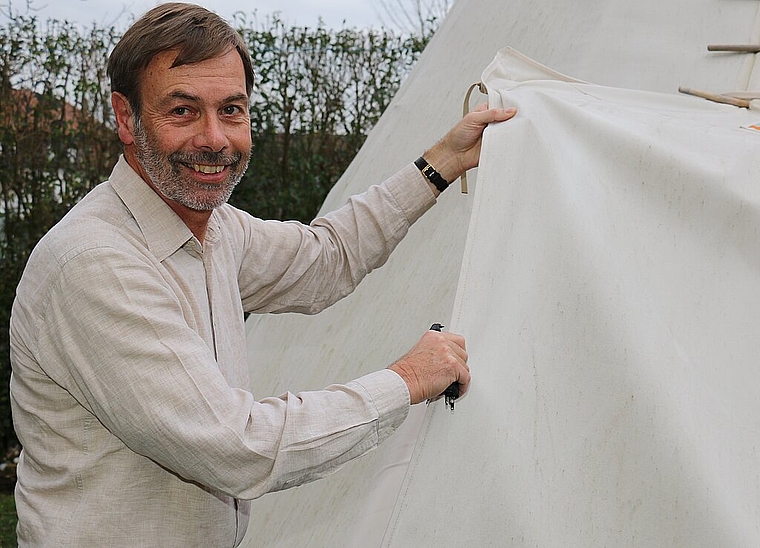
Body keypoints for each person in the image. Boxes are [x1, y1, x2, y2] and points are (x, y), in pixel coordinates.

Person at [8, 3, 516, 546]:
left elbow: (327, 258)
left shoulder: (215, 229)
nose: (215, 138)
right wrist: (407, 380)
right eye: (182, 111)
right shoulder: (96, 264)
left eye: (231, 110)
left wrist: (441, 162)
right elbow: (236, 447)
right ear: (127, 118)